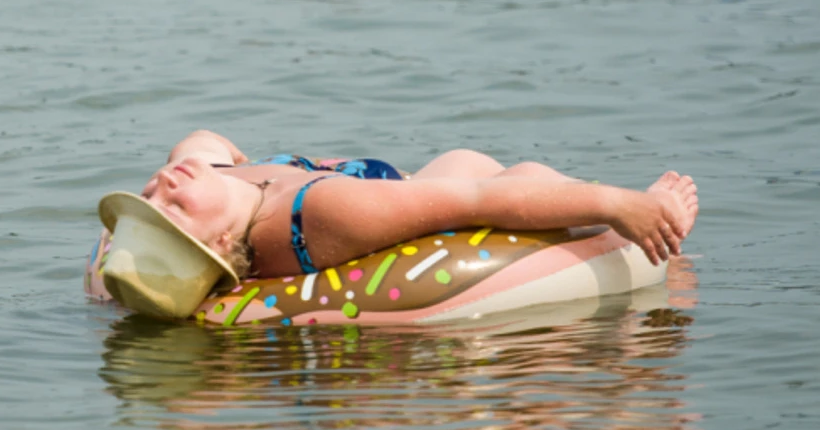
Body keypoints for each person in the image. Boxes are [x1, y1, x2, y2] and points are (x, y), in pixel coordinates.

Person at [94, 130, 697, 319]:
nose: (164, 185)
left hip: (394, 186)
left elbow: (202, 140)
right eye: (172, 211)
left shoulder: (207, 183)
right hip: (407, 209)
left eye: (151, 197)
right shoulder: (329, 215)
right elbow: (479, 200)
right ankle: (651, 233)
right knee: (521, 173)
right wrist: (617, 204)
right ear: (224, 246)